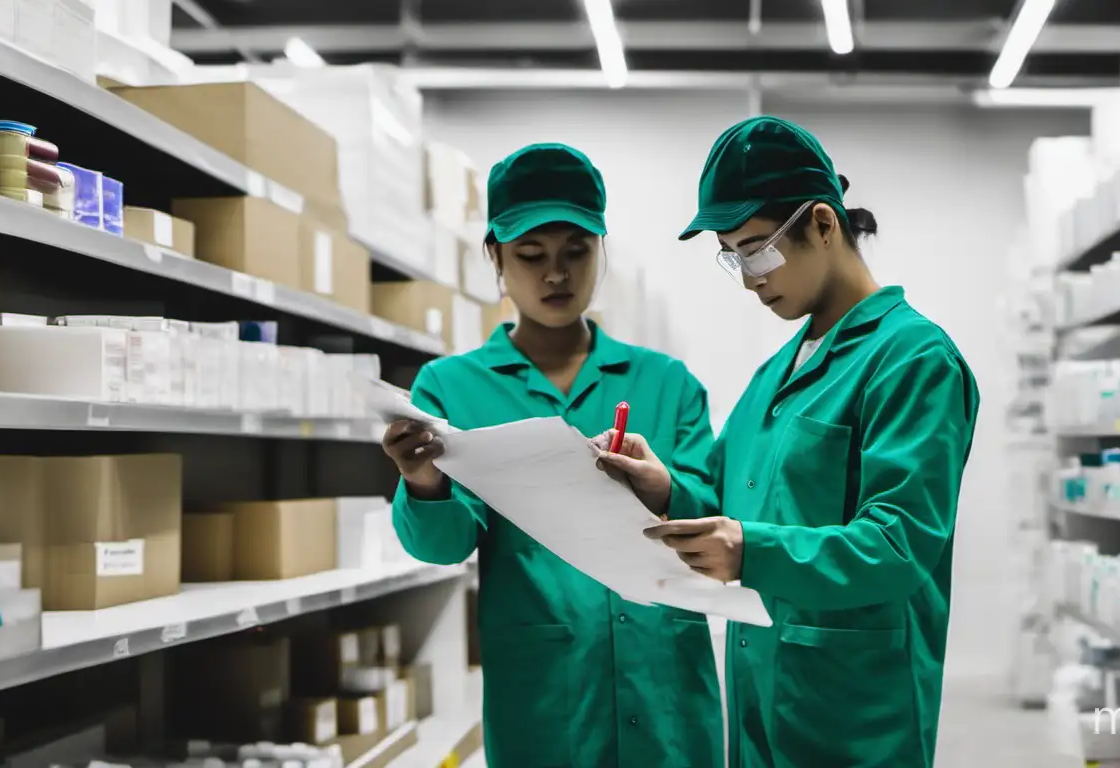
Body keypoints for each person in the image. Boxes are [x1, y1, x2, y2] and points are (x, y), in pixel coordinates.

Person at [593, 116, 980, 768]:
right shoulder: (778, 372)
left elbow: (900, 543)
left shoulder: (913, 359)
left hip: (854, 715)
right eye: (732, 255)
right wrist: (666, 487)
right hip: (760, 701)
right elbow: (726, 494)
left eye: (757, 250)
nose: (748, 277)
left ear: (824, 225)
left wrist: (751, 552)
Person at [383, 143, 722, 768]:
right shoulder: (450, 388)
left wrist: (662, 489)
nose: (556, 275)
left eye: (576, 252)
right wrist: (422, 480)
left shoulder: (667, 383)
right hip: (546, 690)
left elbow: (713, 518)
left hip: (662, 676)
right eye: (531, 256)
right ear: (495, 258)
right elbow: (443, 546)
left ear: (602, 249)